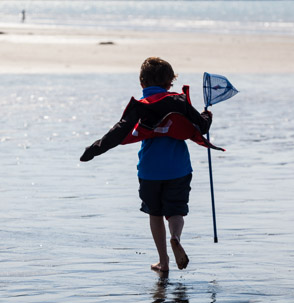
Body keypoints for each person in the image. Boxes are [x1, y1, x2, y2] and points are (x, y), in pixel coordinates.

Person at [80, 57, 214, 272]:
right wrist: (207, 115)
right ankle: (176, 237)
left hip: (150, 171)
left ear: (142, 83)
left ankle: (164, 261)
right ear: (170, 82)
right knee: (176, 212)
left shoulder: (142, 107)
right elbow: (202, 126)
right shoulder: (179, 102)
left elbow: (119, 131)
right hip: (178, 169)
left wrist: (95, 149)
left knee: (155, 214)